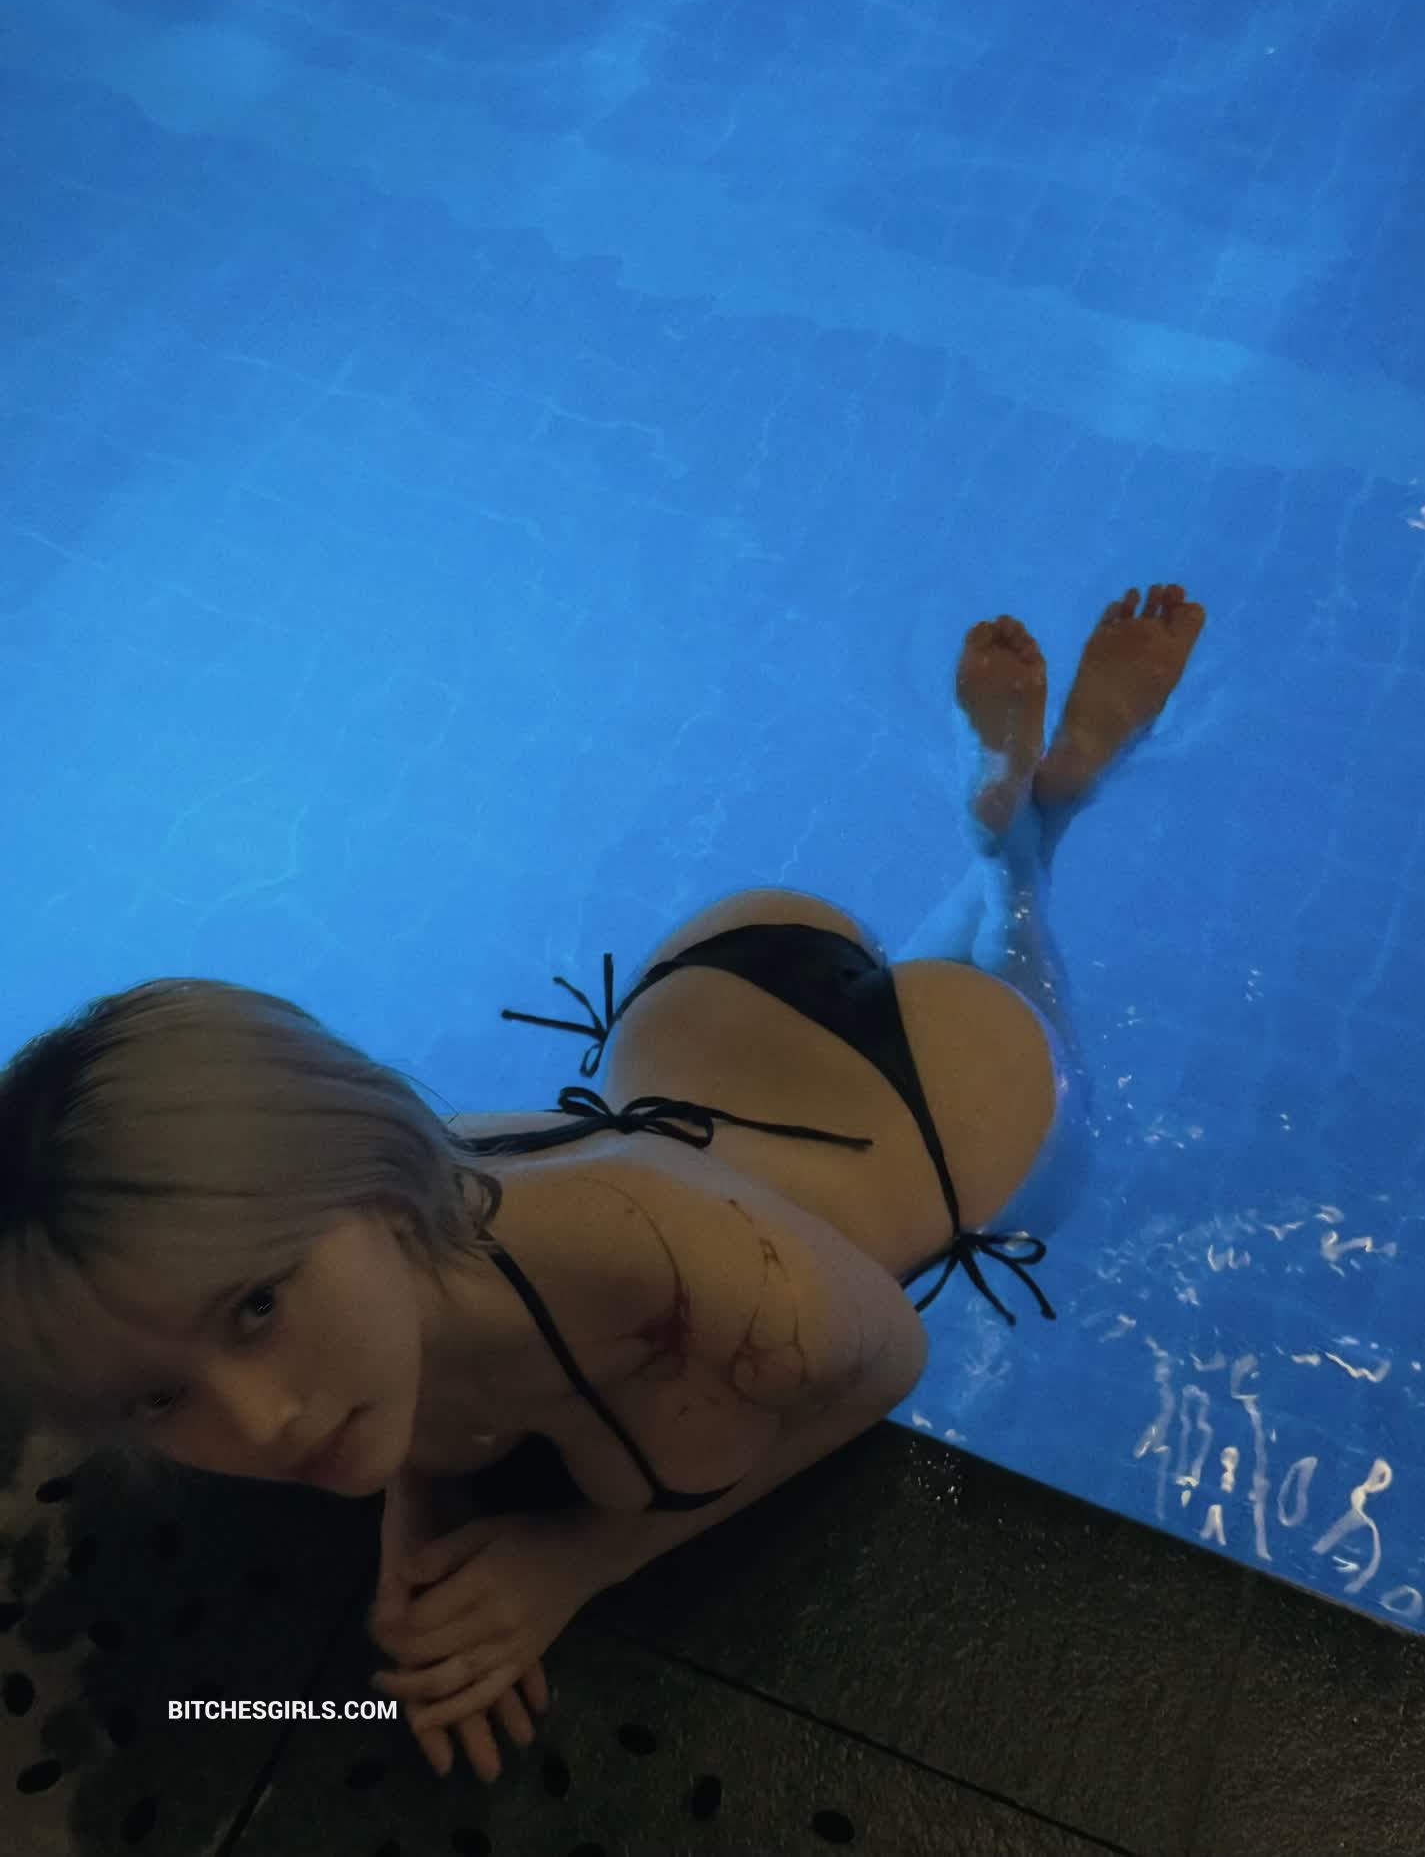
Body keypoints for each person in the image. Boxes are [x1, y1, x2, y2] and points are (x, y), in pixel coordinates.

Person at [0, 583, 1206, 1783]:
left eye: (255, 1307)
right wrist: (417, 1516)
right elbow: (427, 1351)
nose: (258, 1421)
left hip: (953, 1109)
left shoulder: (667, 1271)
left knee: (1023, 983)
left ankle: (1037, 827)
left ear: (365, 1178)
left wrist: (575, 1562)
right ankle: (1007, 827)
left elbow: (889, 1356)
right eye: (158, 1396)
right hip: (714, 1005)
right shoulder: (368, 1192)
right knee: (957, 957)